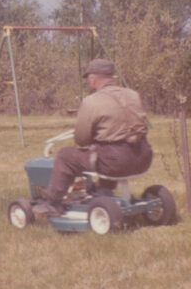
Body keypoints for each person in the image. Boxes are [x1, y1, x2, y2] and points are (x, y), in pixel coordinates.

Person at [34, 58, 153, 215]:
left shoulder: (91, 101)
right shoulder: (133, 95)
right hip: (143, 157)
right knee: (106, 151)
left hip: (116, 163)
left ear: (93, 78)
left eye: (89, 79)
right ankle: (104, 190)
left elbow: (81, 140)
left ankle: (51, 201)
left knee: (65, 156)